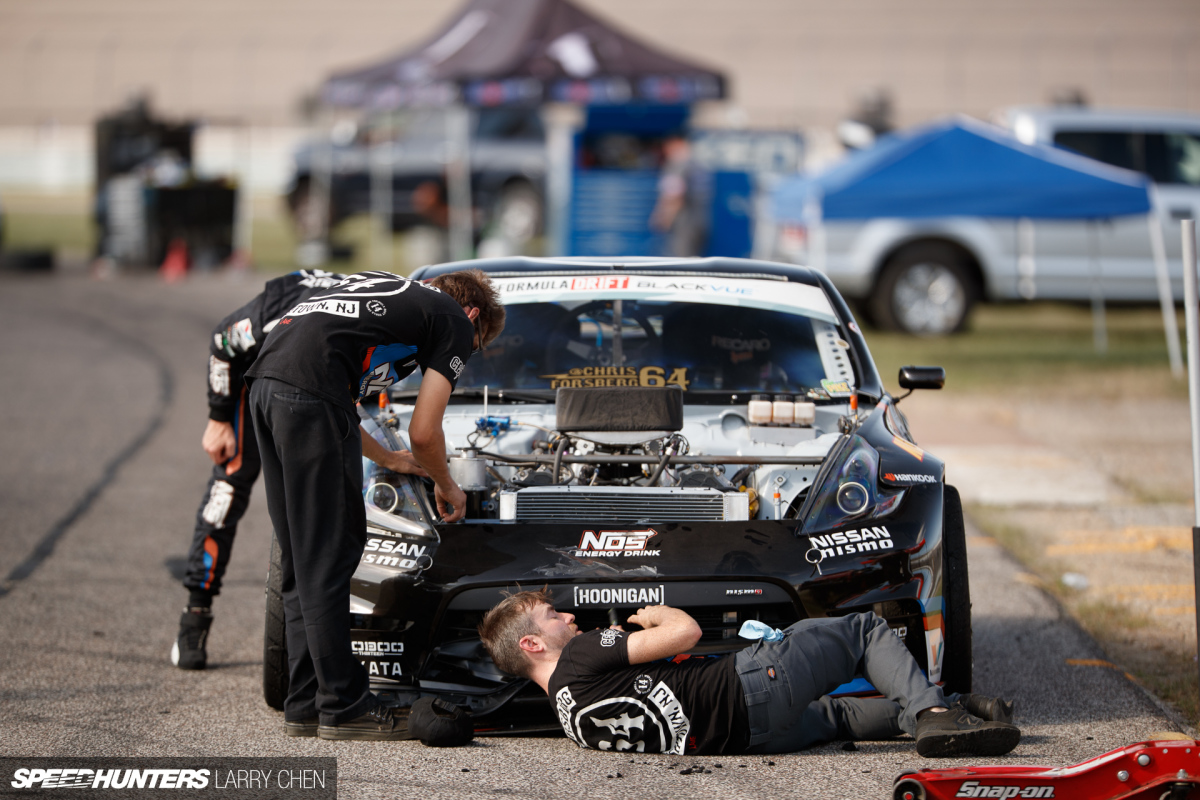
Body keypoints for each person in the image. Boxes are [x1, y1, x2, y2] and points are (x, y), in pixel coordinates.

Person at [246, 268, 504, 741]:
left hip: (265, 386)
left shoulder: (395, 297)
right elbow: (425, 432)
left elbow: (336, 393)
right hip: (309, 395)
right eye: (477, 343)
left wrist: (387, 458)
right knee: (330, 554)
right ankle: (343, 705)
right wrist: (447, 484)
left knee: (301, 562)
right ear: (474, 316)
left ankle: (305, 703)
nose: (468, 351)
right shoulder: (455, 321)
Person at [172, 269, 428, 671]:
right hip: (250, 382)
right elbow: (223, 341)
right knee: (227, 490)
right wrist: (218, 416)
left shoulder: (371, 316)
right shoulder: (271, 314)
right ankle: (195, 614)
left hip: (316, 382)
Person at [478, 591, 1020, 757]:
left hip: (754, 737)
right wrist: (653, 614)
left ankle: (960, 713)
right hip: (754, 681)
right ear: (532, 643)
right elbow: (685, 634)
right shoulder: (579, 654)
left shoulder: (568, 714)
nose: (568, 617)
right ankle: (931, 713)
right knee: (861, 632)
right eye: (553, 616)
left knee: (838, 717)